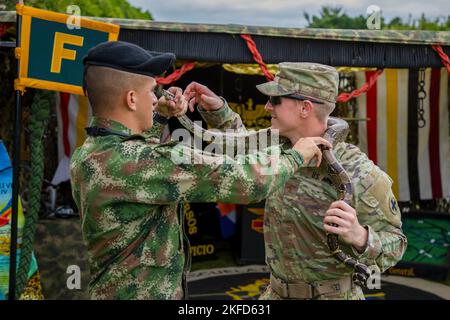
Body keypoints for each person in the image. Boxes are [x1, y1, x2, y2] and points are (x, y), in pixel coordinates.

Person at [69, 42, 331, 300]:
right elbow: (248, 181)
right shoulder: (148, 161)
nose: (156, 98)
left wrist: (159, 117)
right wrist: (298, 154)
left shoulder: (89, 154)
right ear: (131, 99)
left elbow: (135, 163)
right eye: (151, 91)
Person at [183, 62, 407, 300]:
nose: (267, 106)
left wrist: (361, 237)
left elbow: (397, 243)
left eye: (276, 100)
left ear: (305, 108)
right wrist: (218, 110)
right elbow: (241, 142)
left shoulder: (360, 172)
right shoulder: (279, 147)